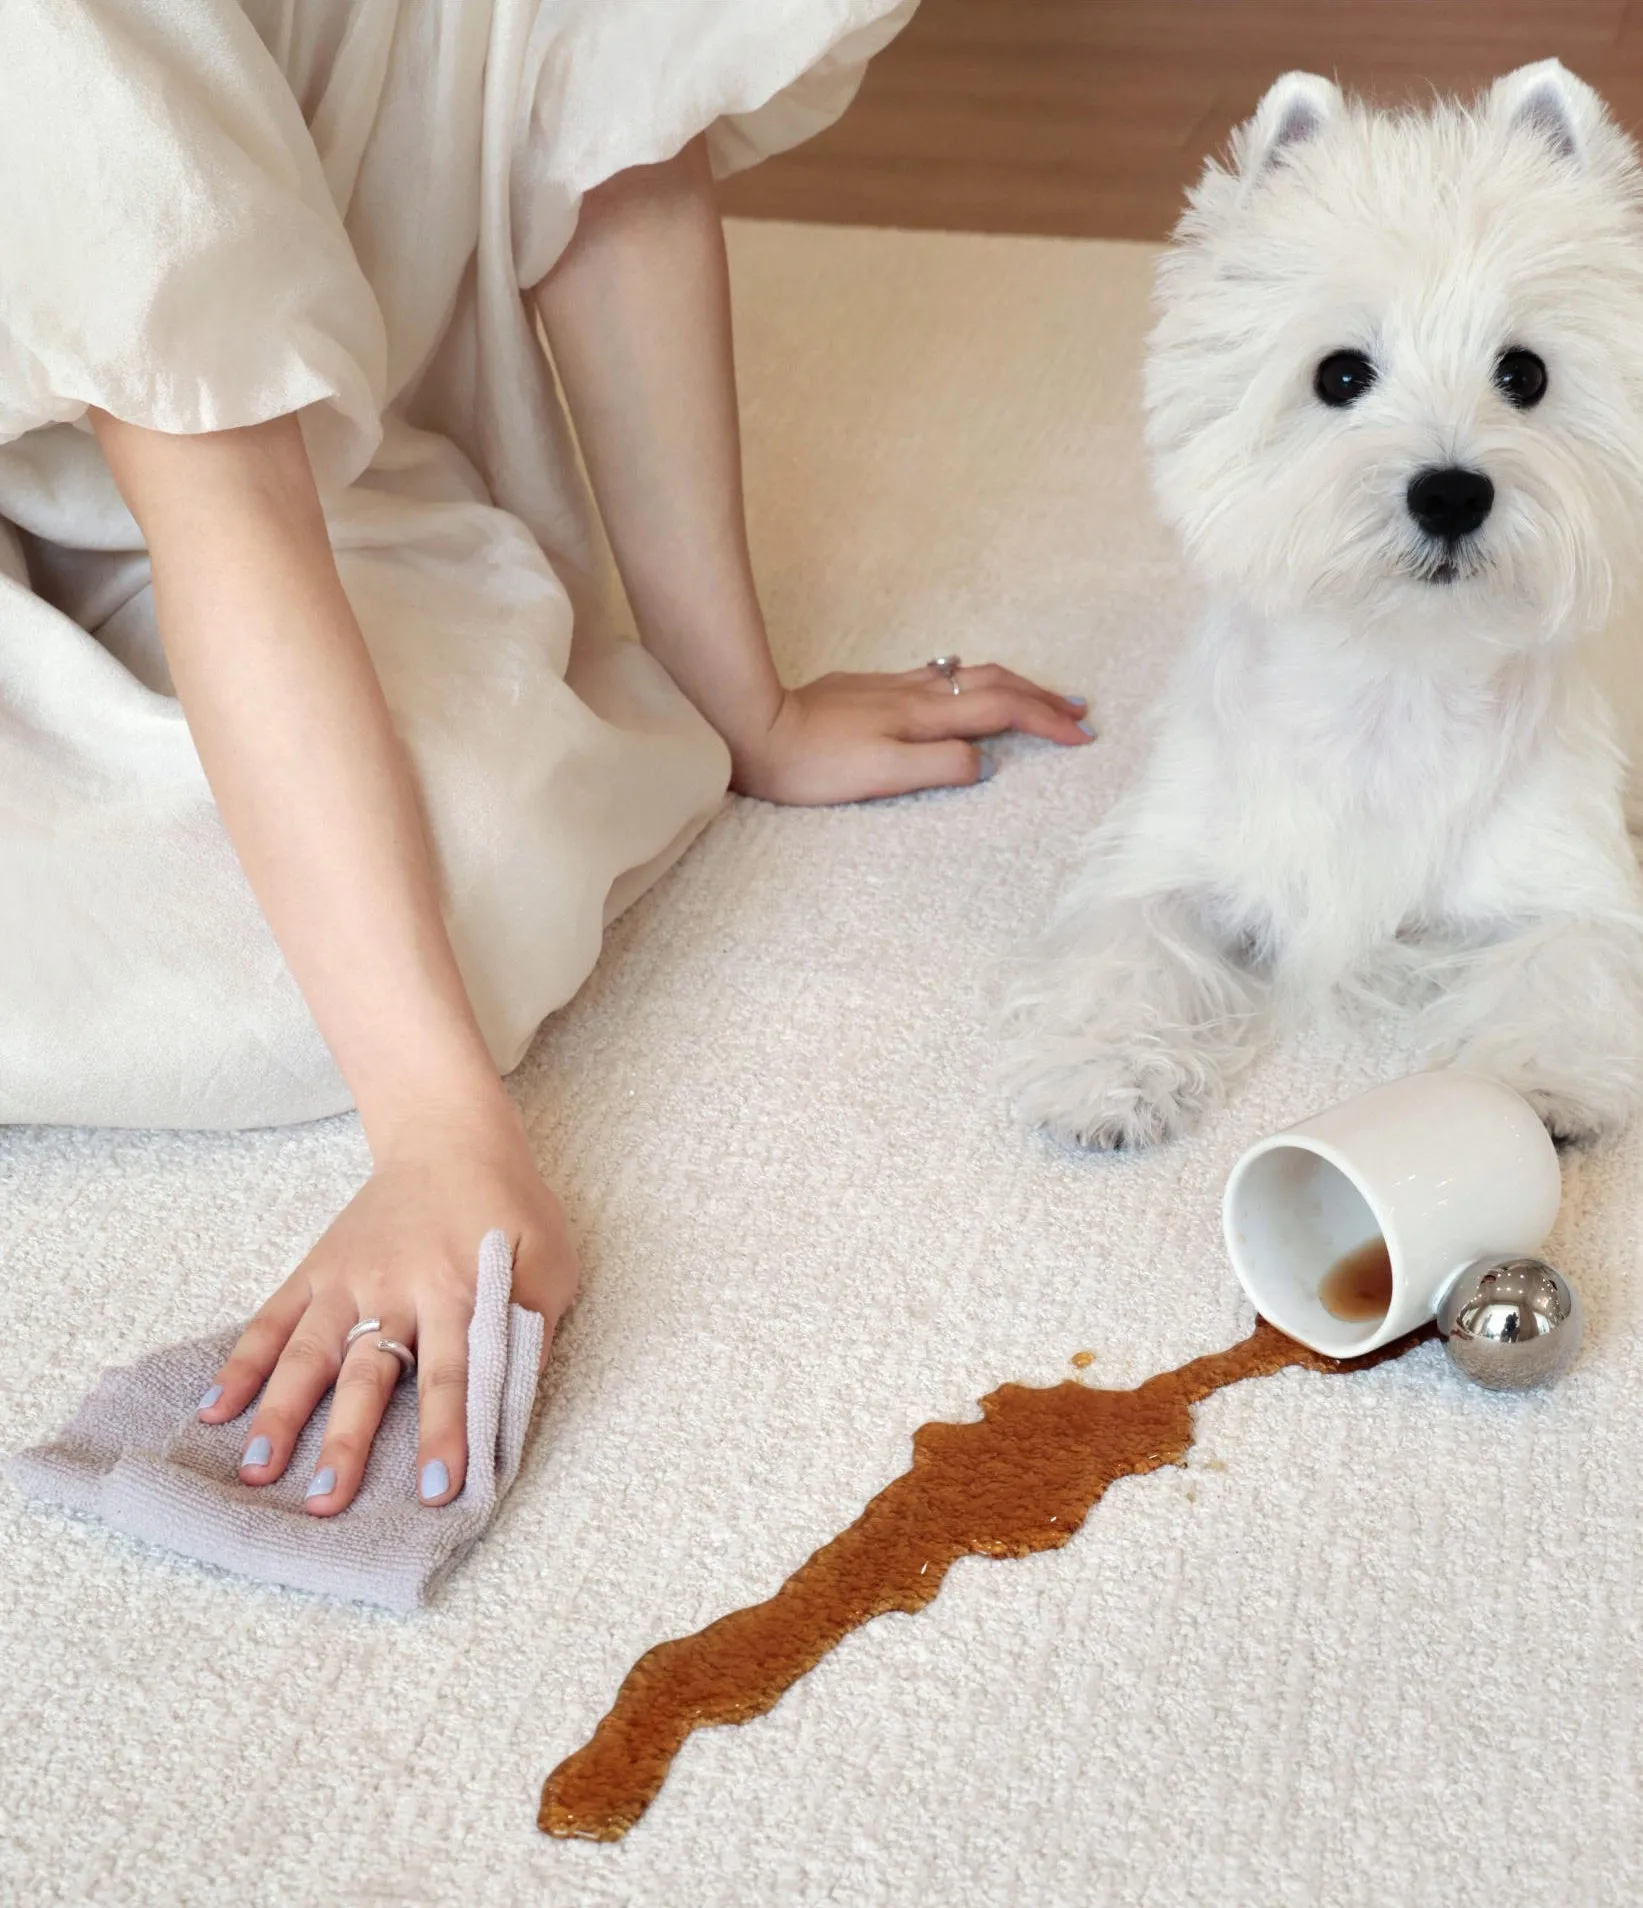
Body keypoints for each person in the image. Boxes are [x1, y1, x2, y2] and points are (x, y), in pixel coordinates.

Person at [0, 0, 1090, 1517]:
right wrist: (436, 1129)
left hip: (216, 464)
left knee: (499, 815)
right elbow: (221, 493)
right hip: (147, 460)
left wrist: (744, 705)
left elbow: (596, 107)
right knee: (272, 949)